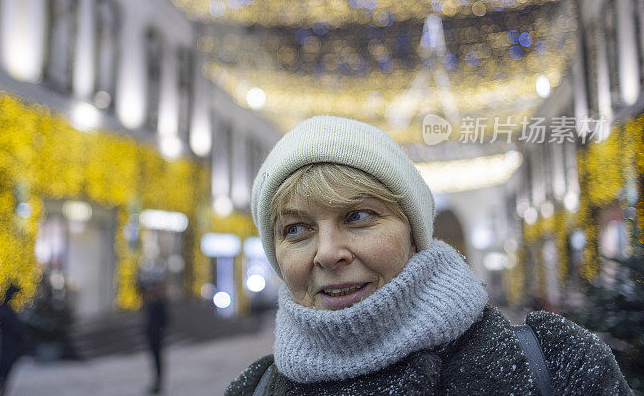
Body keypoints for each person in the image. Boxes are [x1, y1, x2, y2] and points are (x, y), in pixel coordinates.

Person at [226, 116, 632, 395]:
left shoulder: (557, 364)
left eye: (358, 216)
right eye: (296, 229)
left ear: (413, 232)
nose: (328, 253)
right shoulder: (253, 389)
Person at [0, 283, 28, 396]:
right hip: (7, 346)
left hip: (11, 346)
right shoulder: (4, 310)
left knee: (5, 372)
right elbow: (14, 327)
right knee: (2, 371)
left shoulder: (7, 310)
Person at [139, 273, 169, 394]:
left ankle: (158, 384)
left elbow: (165, 320)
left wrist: (158, 331)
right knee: (154, 361)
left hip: (157, 337)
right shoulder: (150, 303)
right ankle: (156, 384)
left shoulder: (160, 304)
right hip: (151, 336)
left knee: (158, 361)